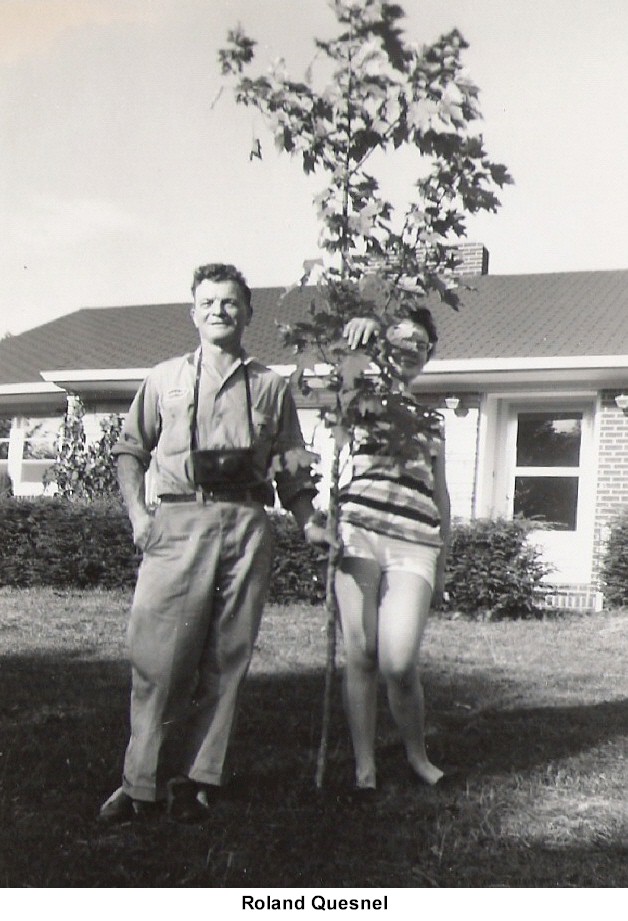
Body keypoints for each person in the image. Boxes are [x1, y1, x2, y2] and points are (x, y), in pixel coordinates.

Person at [98, 262, 329, 824]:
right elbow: (130, 450)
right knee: (159, 659)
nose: (219, 311)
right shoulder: (165, 379)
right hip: (178, 521)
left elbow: (290, 468)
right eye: (208, 302)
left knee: (227, 659)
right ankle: (140, 783)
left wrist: (309, 523)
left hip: (247, 524)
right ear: (193, 312)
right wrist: (138, 514)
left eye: (230, 302)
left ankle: (199, 780)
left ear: (247, 313)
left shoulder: (271, 386)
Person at [337, 309, 451, 796]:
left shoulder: (433, 420)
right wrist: (358, 341)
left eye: (420, 344)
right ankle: (364, 766)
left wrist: (442, 563)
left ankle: (416, 754)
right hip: (358, 533)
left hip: (415, 541)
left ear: (428, 355)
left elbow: (440, 494)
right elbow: (340, 379)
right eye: (400, 341)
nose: (411, 350)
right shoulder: (358, 397)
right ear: (384, 347)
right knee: (361, 653)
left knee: (399, 662)